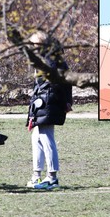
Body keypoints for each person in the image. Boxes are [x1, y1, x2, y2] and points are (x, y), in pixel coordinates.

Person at [26, 30, 73, 190]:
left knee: (47, 138)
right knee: (37, 138)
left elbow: (63, 82)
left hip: (49, 103)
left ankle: (52, 177)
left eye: (34, 45)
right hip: (43, 104)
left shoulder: (51, 60)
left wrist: (66, 101)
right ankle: (37, 175)